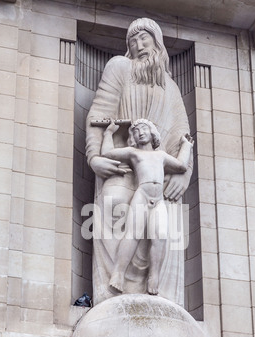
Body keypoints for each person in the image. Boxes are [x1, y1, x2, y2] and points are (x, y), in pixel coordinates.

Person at [86, 18, 193, 305]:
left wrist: (184, 175)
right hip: (121, 168)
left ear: (157, 41)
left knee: (162, 230)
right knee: (116, 210)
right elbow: (98, 116)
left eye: (144, 38)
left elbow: (183, 139)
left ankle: (157, 292)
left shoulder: (171, 87)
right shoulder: (119, 67)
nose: (139, 45)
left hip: (159, 176)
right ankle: (113, 292)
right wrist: (94, 158)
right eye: (133, 41)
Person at [101, 119, 194, 295]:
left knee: (160, 236)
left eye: (144, 129)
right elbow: (106, 153)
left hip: (158, 198)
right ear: (133, 137)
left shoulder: (161, 156)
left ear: (152, 133)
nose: (140, 132)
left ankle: (154, 277)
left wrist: (186, 146)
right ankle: (118, 274)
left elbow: (181, 166)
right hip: (142, 195)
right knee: (133, 234)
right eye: (136, 131)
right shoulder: (133, 153)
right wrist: (108, 133)